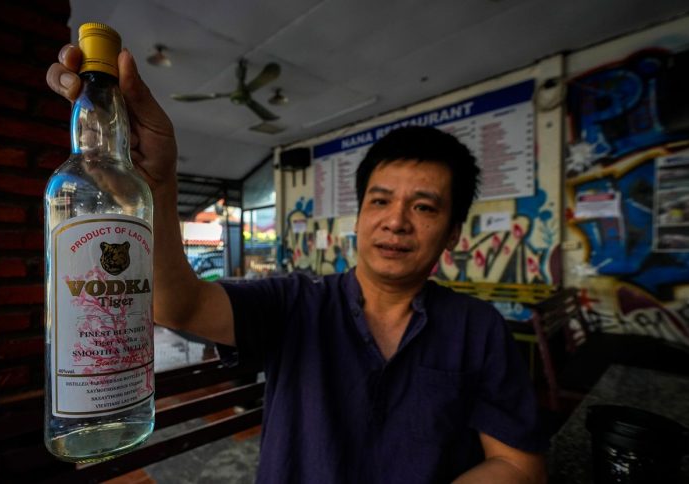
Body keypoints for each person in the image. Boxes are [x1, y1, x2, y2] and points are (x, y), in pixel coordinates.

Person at [47, 45, 548, 483]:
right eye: (379, 201)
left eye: (423, 206)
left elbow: (518, 465)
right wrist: (156, 186)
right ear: (359, 216)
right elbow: (179, 305)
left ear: (454, 232)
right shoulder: (295, 302)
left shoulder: (479, 330)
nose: (396, 222)